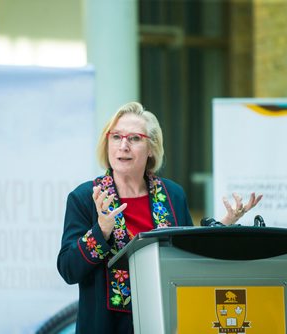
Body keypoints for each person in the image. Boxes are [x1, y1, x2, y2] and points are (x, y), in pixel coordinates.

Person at [57, 102, 262, 334]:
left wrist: (225, 223)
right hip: (106, 327)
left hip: (166, 321)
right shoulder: (85, 197)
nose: (123, 145)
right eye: (116, 137)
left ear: (151, 148)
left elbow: (189, 254)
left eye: (134, 138)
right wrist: (101, 231)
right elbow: (68, 269)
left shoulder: (172, 195)